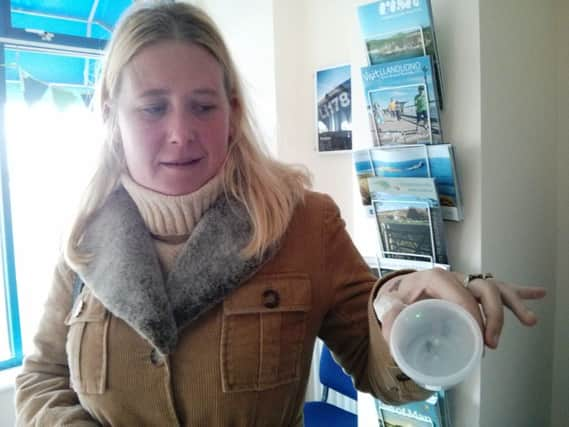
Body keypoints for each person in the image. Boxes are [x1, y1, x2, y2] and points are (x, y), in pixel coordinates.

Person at [14, 3, 546, 426]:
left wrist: (406, 312)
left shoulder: (303, 223)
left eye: (203, 105)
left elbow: (376, 362)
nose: (180, 132)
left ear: (233, 112)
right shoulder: (84, 235)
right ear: (111, 114)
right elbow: (40, 377)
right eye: (153, 107)